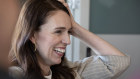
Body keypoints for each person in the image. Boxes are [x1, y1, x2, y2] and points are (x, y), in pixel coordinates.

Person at [8, 0, 130, 79]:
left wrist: (75, 27)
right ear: (32, 36)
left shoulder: (71, 73)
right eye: (58, 31)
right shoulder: (13, 74)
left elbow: (117, 63)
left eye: (69, 32)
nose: (68, 41)